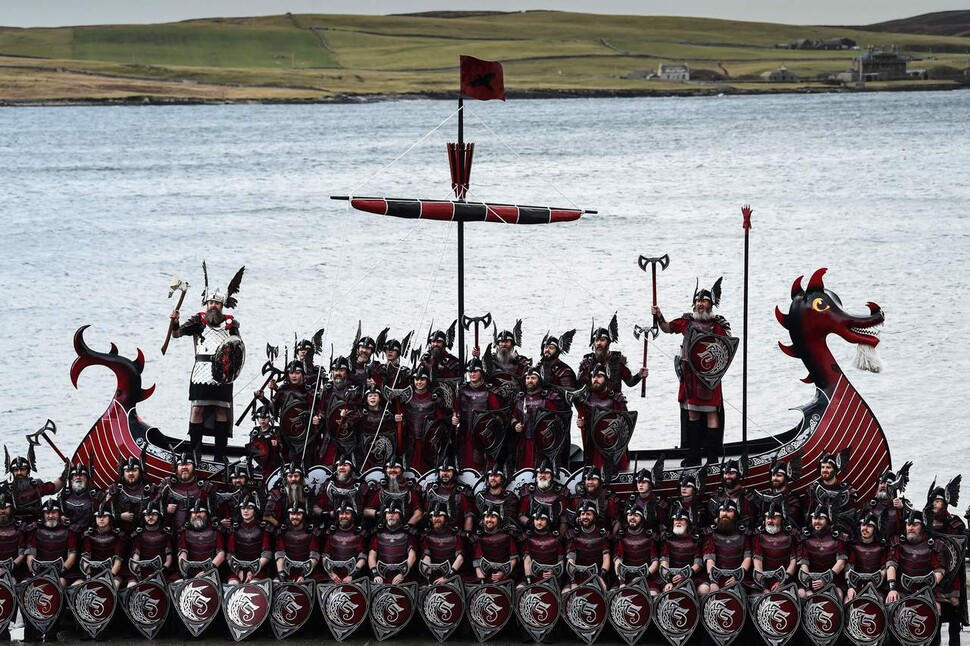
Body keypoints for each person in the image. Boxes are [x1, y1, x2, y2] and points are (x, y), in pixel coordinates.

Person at [170, 267, 245, 461]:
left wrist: (231, 370)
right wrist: (175, 323)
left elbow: (237, 350)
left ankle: (220, 455)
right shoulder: (198, 321)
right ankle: (196, 452)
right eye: (211, 302)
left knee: (222, 411)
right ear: (206, 303)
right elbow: (176, 335)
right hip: (201, 373)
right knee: (197, 410)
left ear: (222, 305)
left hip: (223, 374)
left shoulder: (231, 324)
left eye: (217, 303)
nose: (213, 305)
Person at [652, 280, 731, 465]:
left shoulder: (717, 325)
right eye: (697, 301)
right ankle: (693, 455)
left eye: (703, 301)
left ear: (711, 304)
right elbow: (666, 328)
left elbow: (728, 347)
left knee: (712, 413)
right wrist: (659, 315)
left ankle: (712, 457)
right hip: (690, 377)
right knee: (692, 413)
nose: (699, 304)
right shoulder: (687, 322)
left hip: (709, 377)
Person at [573, 363, 634, 475]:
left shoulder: (616, 398)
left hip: (612, 446)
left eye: (599, 377)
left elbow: (626, 423)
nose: (596, 380)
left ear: (606, 378)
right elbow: (582, 418)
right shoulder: (586, 399)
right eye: (593, 377)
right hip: (593, 445)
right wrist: (581, 423)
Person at [510, 366, 568, 471]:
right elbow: (513, 416)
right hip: (524, 444)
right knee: (523, 471)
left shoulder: (550, 398)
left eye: (533, 378)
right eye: (528, 378)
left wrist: (549, 432)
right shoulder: (519, 399)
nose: (530, 381)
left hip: (543, 445)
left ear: (539, 380)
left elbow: (560, 421)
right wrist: (515, 425)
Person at [453, 358, 504, 472]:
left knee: (482, 466)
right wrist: (455, 418)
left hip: (483, 437)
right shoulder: (462, 390)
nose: (472, 374)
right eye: (470, 372)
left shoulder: (489, 391)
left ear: (481, 372)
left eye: (475, 371)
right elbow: (456, 409)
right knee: (464, 466)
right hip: (465, 434)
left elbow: (497, 416)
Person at [577, 315, 649, 395]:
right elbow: (578, 387)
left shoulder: (618, 360)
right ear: (593, 343)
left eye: (602, 340)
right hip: (592, 404)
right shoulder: (587, 361)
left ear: (608, 342)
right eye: (596, 340)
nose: (599, 343)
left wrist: (639, 375)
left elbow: (630, 382)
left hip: (613, 402)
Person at [700, 499, 750, 594]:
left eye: (729, 511)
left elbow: (747, 558)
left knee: (739, 591)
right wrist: (713, 580)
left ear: (735, 514)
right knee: (707, 590)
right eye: (722, 510)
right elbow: (710, 558)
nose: (725, 514)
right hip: (716, 575)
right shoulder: (711, 534)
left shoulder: (743, 534)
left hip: (738, 575)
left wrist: (738, 577)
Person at [1, 446, 65, 522]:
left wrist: (66, 471)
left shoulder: (36, 486)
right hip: (14, 528)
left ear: (28, 471)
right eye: (16, 470)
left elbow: (54, 488)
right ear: (11, 472)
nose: (19, 473)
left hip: (36, 526)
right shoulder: (4, 489)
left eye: (22, 469)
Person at [797, 506, 847, 599]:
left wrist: (825, 579)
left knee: (837, 595)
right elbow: (804, 563)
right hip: (811, 581)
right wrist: (807, 582)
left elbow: (841, 563)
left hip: (833, 581)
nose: (816, 521)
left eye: (820, 518)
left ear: (828, 520)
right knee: (802, 595)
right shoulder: (806, 538)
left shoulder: (838, 538)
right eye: (814, 518)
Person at [751, 501, 799, 593]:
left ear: (781, 518)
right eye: (768, 518)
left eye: (773, 518)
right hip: (763, 581)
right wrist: (764, 587)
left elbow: (793, 561)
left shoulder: (790, 536)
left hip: (785, 580)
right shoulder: (759, 536)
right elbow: (757, 563)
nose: (769, 521)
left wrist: (783, 582)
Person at [159, 452, 212, 531]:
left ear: (194, 466)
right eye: (181, 465)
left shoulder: (205, 486)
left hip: (198, 533)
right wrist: (164, 508)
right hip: (172, 532)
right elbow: (152, 504)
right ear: (176, 468)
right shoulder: (167, 484)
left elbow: (214, 511)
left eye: (188, 464)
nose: (184, 467)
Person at [225, 494, 271, 583]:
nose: (245, 511)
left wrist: (253, 570)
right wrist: (238, 570)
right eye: (243, 508)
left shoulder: (263, 528)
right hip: (237, 569)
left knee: (254, 585)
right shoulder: (234, 529)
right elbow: (230, 554)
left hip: (258, 569)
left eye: (249, 508)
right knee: (232, 584)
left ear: (255, 510)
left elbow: (267, 554)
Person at [565, 500, 611, 591]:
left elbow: (606, 558)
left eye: (588, 514)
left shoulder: (603, 535)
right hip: (577, 576)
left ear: (594, 516)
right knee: (566, 593)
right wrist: (573, 581)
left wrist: (600, 577)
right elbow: (571, 559)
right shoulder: (573, 535)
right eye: (582, 514)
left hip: (598, 575)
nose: (585, 517)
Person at [106, 456, 157, 535]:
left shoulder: (151, 488)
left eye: (134, 470)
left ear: (140, 472)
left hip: (145, 532)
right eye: (128, 471)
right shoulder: (115, 489)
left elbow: (159, 511)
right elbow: (103, 512)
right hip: (120, 533)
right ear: (123, 473)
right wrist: (119, 516)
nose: (131, 473)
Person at [369, 501, 417, 585]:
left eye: (395, 513)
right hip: (382, 577)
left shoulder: (408, 533)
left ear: (400, 515)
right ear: (385, 515)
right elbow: (372, 555)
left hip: (402, 578)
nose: (391, 515)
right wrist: (375, 574)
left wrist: (403, 574)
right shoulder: (378, 533)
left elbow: (412, 556)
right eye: (388, 513)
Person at [845, 512, 889, 602]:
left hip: (877, 588)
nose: (865, 528)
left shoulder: (882, 546)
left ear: (875, 529)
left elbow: (885, 568)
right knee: (847, 601)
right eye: (863, 525)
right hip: (857, 586)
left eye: (869, 526)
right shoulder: (854, 545)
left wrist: (876, 581)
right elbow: (849, 567)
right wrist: (850, 587)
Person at [79, 503, 125, 589]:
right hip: (91, 573)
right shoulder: (88, 535)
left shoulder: (118, 535)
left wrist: (109, 576)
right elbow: (85, 558)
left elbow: (118, 562)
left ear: (110, 518)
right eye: (98, 517)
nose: (101, 519)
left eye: (104, 516)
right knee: (77, 587)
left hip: (113, 573)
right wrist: (89, 575)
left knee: (113, 587)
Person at [614, 506, 659, 593]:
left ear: (642, 518)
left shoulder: (649, 536)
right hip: (625, 578)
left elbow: (655, 562)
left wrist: (643, 577)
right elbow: (617, 560)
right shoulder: (621, 536)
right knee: (615, 595)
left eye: (636, 515)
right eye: (630, 515)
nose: (632, 518)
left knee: (653, 594)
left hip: (646, 578)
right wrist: (622, 581)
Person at [176, 499, 224, 579]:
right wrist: (184, 569)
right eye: (194, 513)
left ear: (206, 513)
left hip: (211, 571)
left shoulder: (215, 529)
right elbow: (182, 552)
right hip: (189, 571)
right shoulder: (184, 530)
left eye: (200, 512)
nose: (197, 515)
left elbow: (221, 554)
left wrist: (207, 571)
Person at [321, 502, 367, 583]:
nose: (344, 516)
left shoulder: (359, 534)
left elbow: (362, 558)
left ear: (352, 515)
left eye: (347, 513)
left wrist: (351, 575)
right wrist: (331, 574)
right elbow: (325, 556)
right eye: (341, 513)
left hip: (354, 578)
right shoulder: (331, 533)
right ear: (338, 516)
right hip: (333, 577)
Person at [275, 502, 321, 582]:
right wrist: (281, 573)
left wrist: (304, 574)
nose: (295, 517)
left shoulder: (312, 531)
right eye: (292, 514)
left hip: (308, 572)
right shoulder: (282, 531)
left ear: (303, 515)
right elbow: (280, 553)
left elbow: (314, 555)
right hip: (287, 571)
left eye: (298, 514)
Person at [420, 504, 465, 583]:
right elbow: (426, 557)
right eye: (434, 516)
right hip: (433, 577)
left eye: (440, 516)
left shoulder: (455, 534)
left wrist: (447, 577)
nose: (436, 519)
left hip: (452, 577)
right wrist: (429, 578)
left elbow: (460, 558)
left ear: (446, 517)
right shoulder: (426, 535)